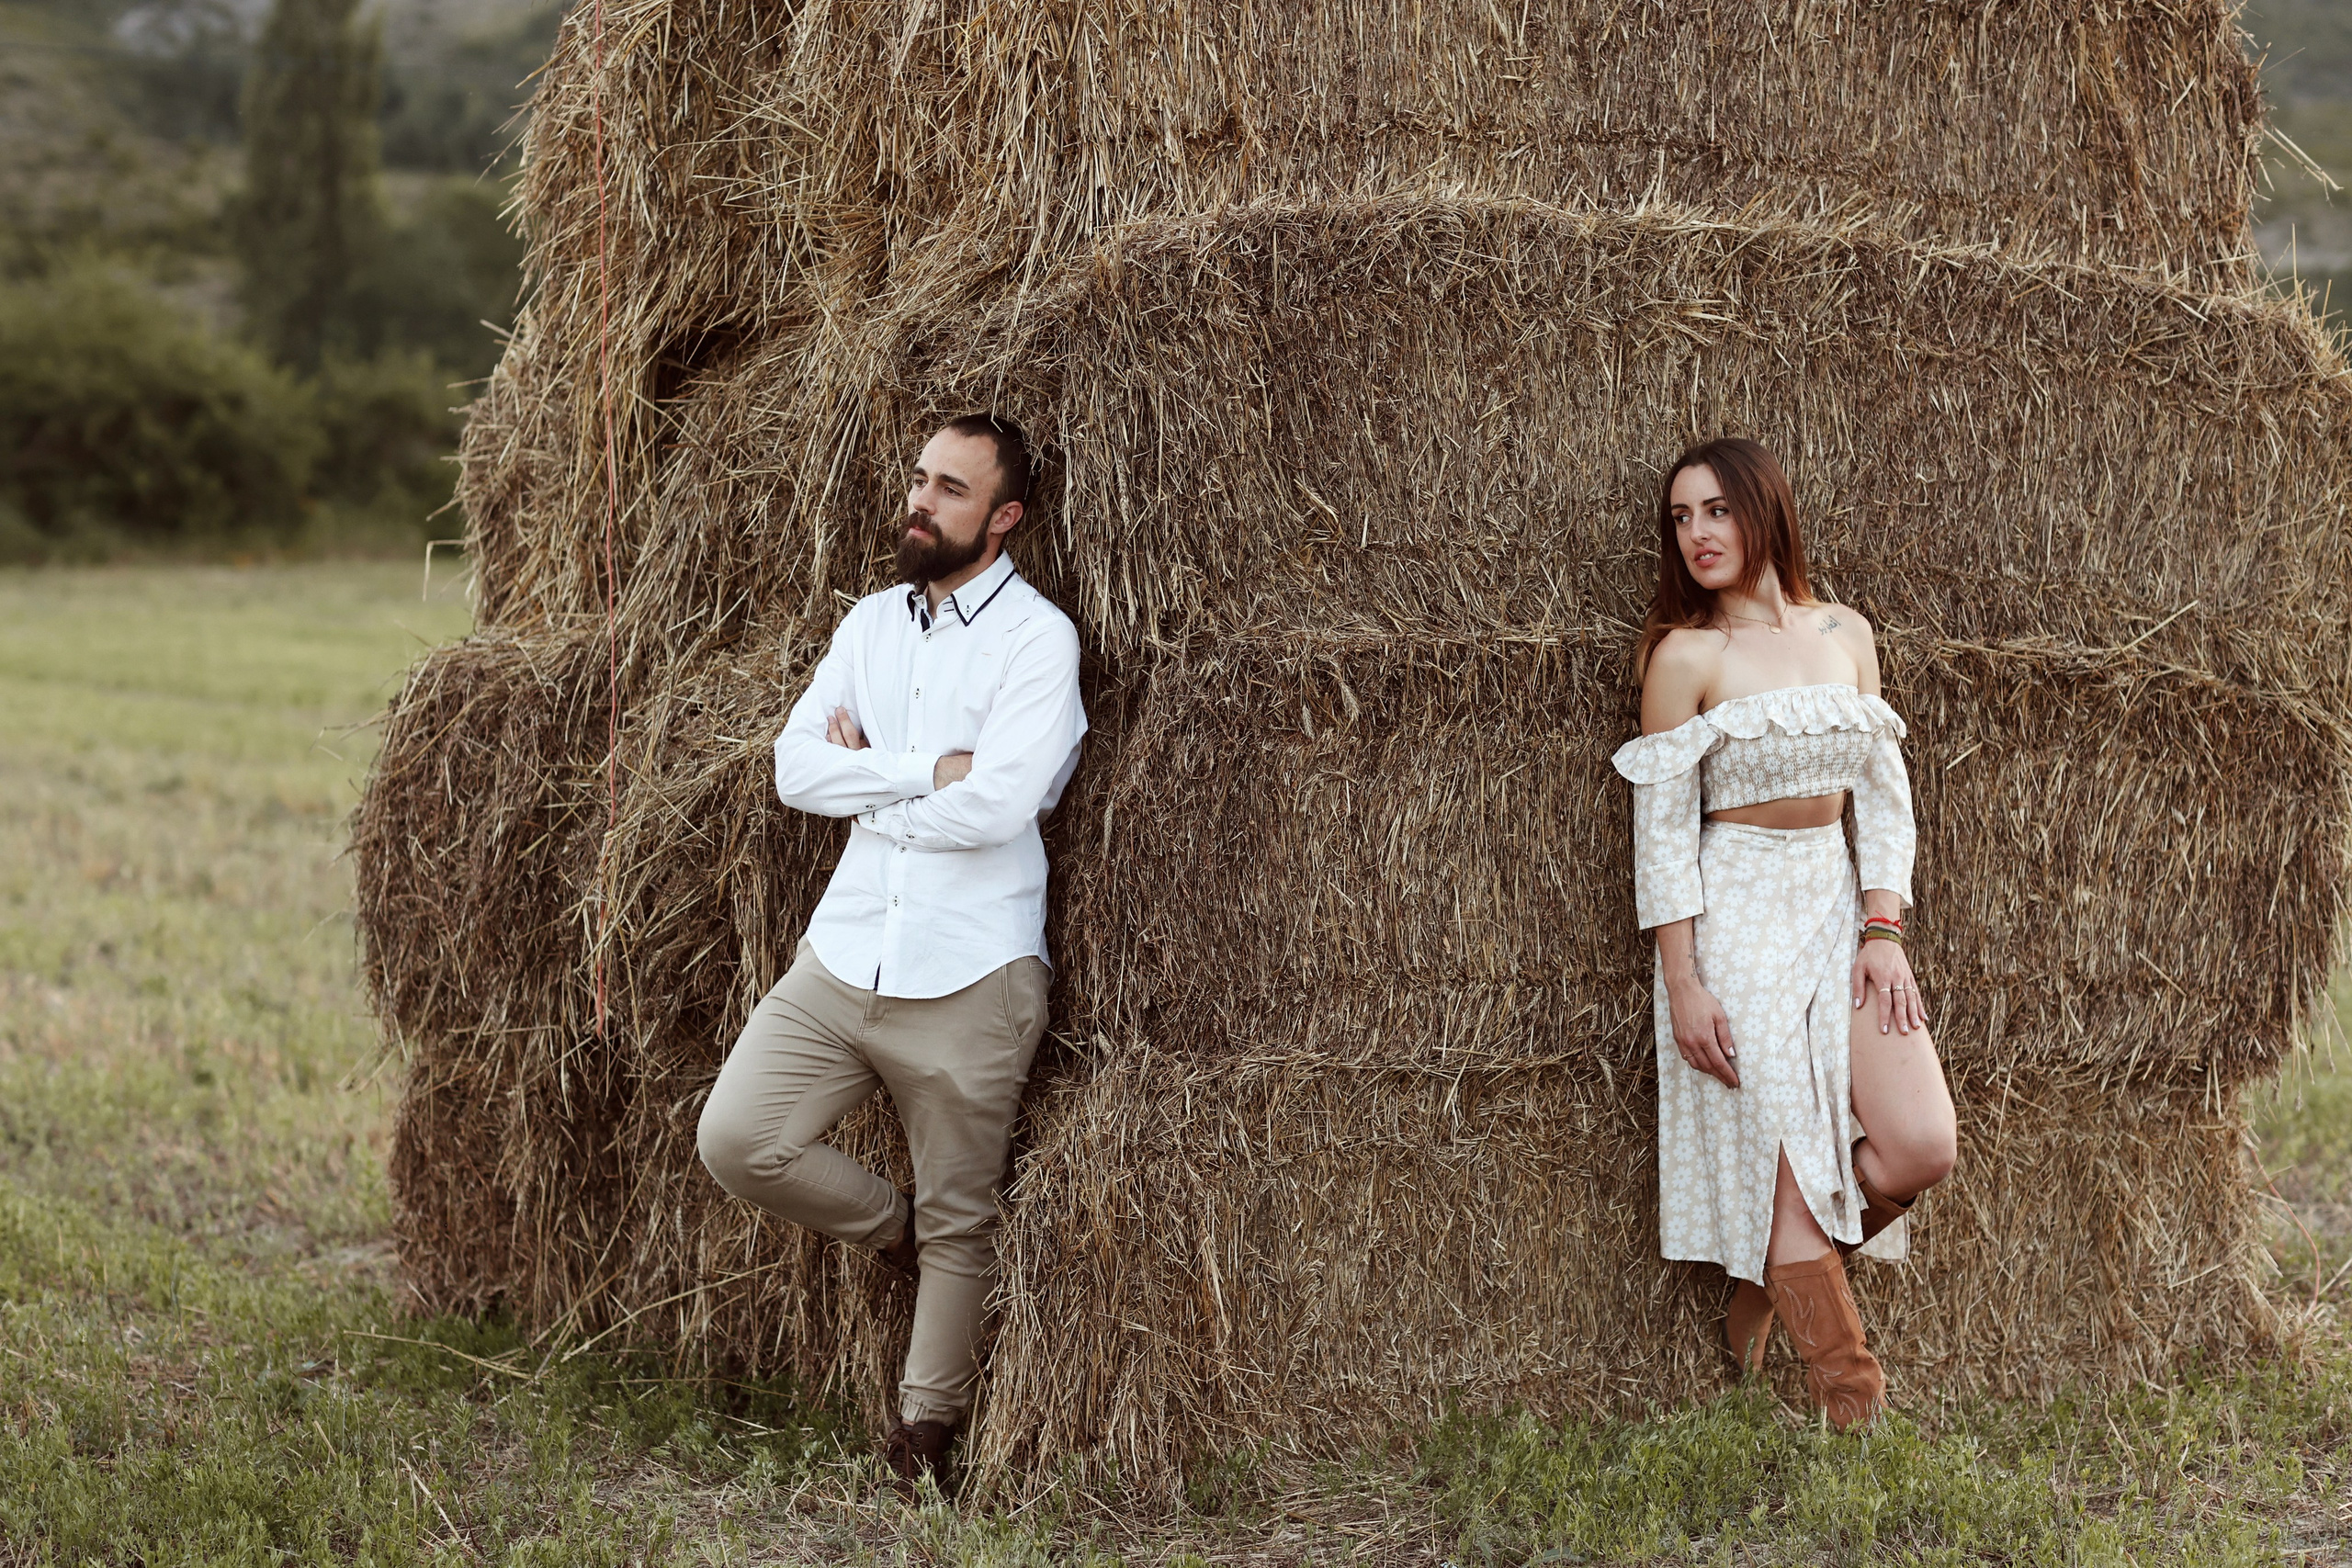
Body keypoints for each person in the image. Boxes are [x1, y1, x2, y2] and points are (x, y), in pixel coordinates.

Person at [695, 413, 1086, 1491]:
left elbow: (1002, 806)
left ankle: (925, 1439)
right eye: (921, 480)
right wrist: (926, 775)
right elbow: (791, 773)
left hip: (972, 972)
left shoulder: (1035, 642)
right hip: (844, 952)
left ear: (1003, 518)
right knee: (736, 1139)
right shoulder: (868, 625)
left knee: (968, 1218)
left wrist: (869, 787)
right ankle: (893, 1233)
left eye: (950, 489)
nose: (922, 502)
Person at [1611, 437, 1957, 1430]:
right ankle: (1855, 1410)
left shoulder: (1845, 634)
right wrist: (1682, 981)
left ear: (1764, 508)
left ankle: (1772, 1282)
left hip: (1836, 907)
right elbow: (1663, 835)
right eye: (1680, 519)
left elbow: (1883, 799)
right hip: (1735, 922)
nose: (1696, 535)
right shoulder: (1687, 657)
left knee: (1921, 1144)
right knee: (1789, 1199)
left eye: (1715, 510)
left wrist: (1881, 930)